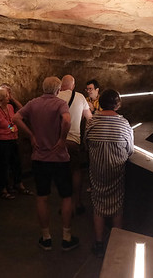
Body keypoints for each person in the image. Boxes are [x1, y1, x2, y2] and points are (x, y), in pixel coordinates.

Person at [13, 76, 80, 251]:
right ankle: (66, 237)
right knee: (66, 196)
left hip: (40, 158)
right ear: (58, 90)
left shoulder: (33, 103)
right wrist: (62, 139)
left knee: (42, 197)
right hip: (59, 158)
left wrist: (31, 135)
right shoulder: (60, 104)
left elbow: (15, 118)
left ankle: (46, 237)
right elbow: (66, 120)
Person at [84, 89, 134, 257]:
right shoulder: (124, 124)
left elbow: (86, 144)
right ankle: (117, 244)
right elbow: (130, 150)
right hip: (116, 170)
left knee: (97, 204)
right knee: (117, 205)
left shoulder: (92, 122)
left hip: (97, 170)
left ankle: (99, 242)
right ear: (117, 104)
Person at [57, 74, 92, 214]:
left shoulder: (55, 97)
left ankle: (65, 204)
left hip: (59, 141)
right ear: (73, 85)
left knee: (62, 173)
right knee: (76, 171)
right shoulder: (80, 97)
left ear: (61, 85)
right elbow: (90, 118)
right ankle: (77, 202)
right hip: (74, 141)